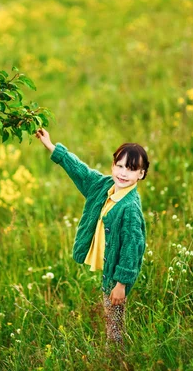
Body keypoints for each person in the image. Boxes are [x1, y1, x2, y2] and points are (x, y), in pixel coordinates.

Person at [35, 128, 149, 348]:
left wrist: (121, 284)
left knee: (114, 322)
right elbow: (81, 171)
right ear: (113, 165)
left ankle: (115, 356)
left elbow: (132, 248)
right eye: (120, 165)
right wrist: (51, 146)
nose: (123, 173)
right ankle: (114, 350)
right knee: (110, 314)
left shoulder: (130, 208)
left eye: (132, 169)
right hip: (109, 270)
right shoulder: (105, 186)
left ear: (141, 175)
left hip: (117, 275)